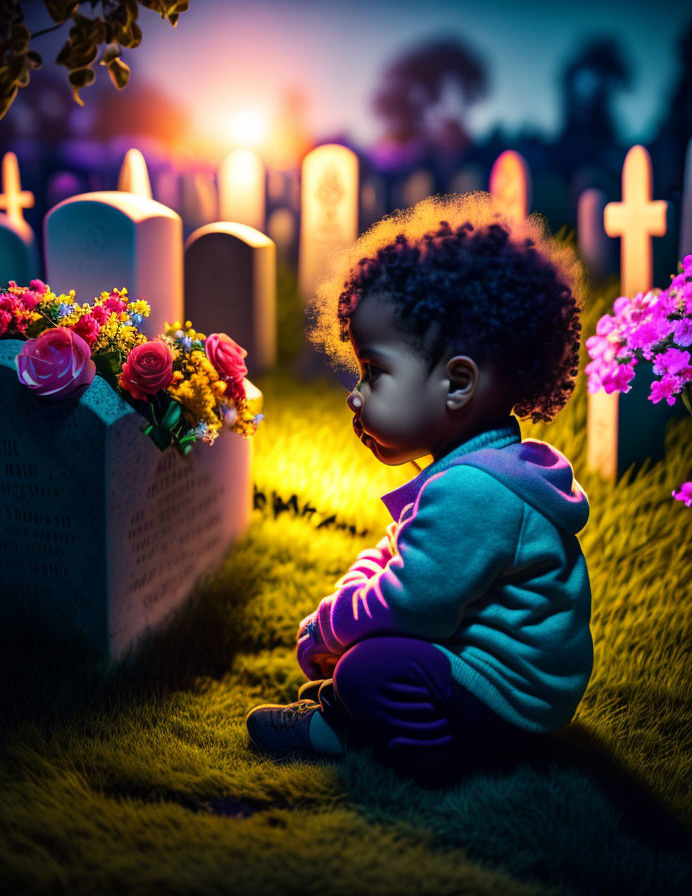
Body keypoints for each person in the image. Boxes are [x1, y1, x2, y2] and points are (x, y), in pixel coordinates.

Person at [245, 191, 594, 784]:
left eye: (375, 373)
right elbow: (394, 557)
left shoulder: (476, 493)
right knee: (369, 654)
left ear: (457, 384)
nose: (356, 395)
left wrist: (332, 629)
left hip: (512, 696)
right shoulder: (478, 468)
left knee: (369, 670)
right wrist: (347, 609)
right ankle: (347, 711)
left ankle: (421, 753)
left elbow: (415, 605)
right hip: (487, 670)